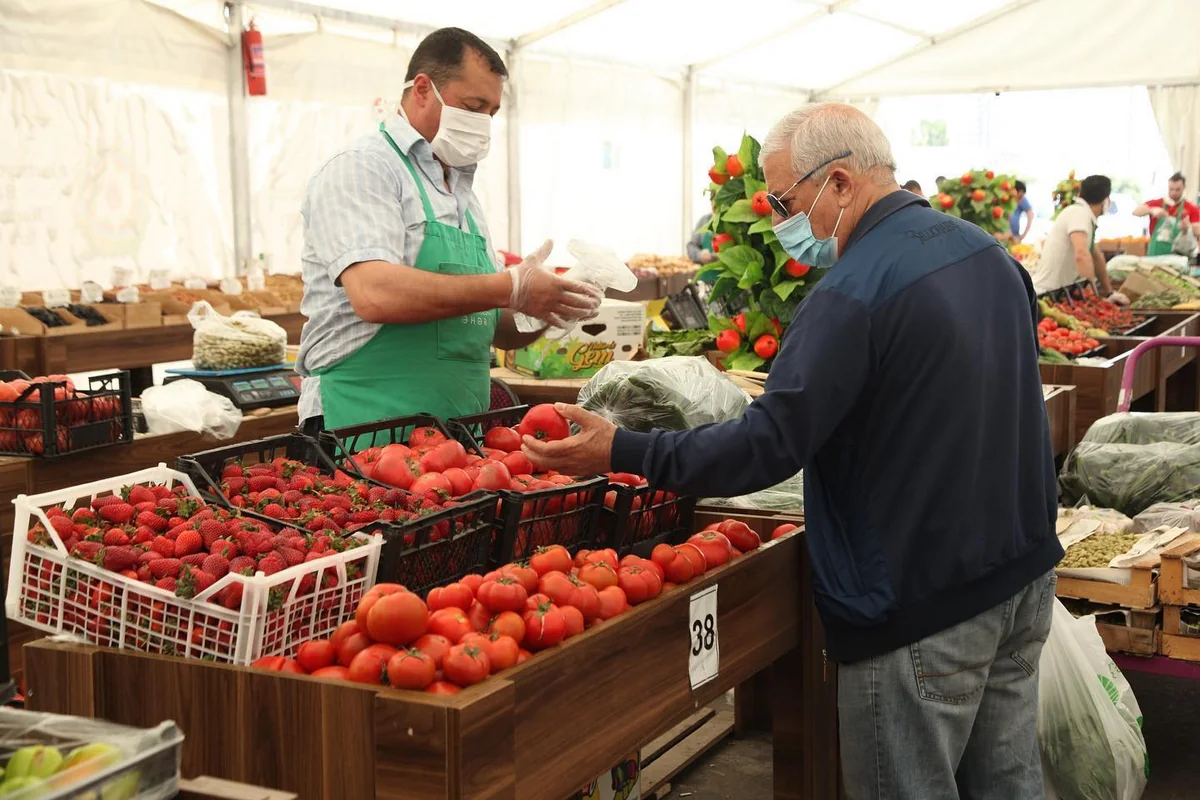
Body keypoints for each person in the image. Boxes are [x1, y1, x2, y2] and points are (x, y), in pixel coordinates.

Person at [524, 103, 1060, 800]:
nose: (780, 220)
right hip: (1020, 576)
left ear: (839, 182)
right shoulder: (987, 253)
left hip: (922, 601)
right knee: (1008, 783)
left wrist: (623, 447)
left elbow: (767, 445)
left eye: (785, 200)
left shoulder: (852, 294)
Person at [294, 28, 602, 431]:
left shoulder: (463, 197)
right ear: (423, 89)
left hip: (455, 440)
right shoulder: (364, 168)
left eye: (491, 113)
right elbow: (374, 293)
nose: (482, 124)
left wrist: (549, 304)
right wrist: (510, 286)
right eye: (472, 106)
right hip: (360, 426)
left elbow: (492, 329)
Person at [1029, 175, 1119, 297]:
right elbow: (1082, 254)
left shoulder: (1083, 215)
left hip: (1059, 293)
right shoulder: (1078, 214)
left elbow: (1097, 257)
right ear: (1105, 200)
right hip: (1048, 294)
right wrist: (1094, 296)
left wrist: (1110, 293)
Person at [1134, 172, 1200, 256]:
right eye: (1171, 189)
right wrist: (1151, 210)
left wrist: (1187, 228)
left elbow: (1197, 232)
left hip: (1179, 253)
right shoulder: (1158, 203)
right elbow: (1136, 212)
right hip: (1156, 252)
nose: (1174, 192)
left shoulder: (1191, 208)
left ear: (1184, 188)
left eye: (1177, 189)